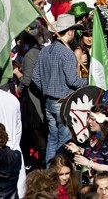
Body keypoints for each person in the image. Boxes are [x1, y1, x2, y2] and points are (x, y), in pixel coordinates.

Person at [31, 13, 88, 164]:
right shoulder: (67, 54)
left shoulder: (44, 51)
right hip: (63, 103)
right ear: (70, 31)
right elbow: (73, 80)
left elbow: (35, 77)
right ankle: (59, 170)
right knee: (64, 140)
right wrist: (88, 81)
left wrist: (47, 88)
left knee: (52, 138)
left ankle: (50, 169)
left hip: (48, 102)